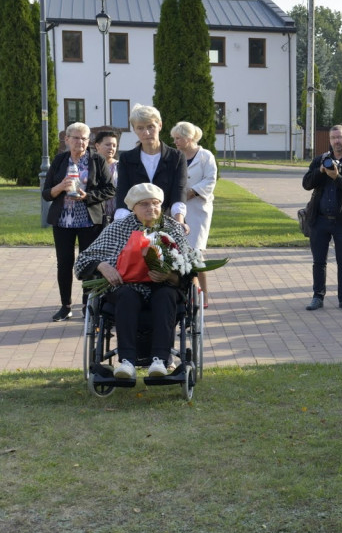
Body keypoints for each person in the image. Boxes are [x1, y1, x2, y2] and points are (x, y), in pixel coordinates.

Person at [74, 183, 198, 379]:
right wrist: (102, 266)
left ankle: (160, 360)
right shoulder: (118, 228)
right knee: (126, 295)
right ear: (133, 207)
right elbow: (83, 260)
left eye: (156, 203)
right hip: (127, 287)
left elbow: (191, 267)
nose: (151, 208)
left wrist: (170, 276)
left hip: (164, 287)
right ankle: (127, 362)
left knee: (165, 295)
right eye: (144, 204)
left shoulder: (173, 227)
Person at [42, 122, 116, 322]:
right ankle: (65, 306)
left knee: (90, 264)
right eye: (76, 137)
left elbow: (110, 189)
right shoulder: (59, 161)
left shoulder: (97, 160)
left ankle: (87, 305)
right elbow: (47, 193)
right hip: (63, 222)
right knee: (64, 264)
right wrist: (60, 187)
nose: (81, 142)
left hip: (90, 222)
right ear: (67, 140)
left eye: (85, 138)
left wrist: (87, 196)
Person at [303, 125, 342, 311]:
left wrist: (337, 177)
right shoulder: (321, 160)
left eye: (340, 137)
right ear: (329, 140)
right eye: (333, 138)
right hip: (320, 219)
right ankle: (317, 297)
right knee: (319, 261)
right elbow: (306, 184)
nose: (337, 141)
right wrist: (320, 171)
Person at [114, 104, 187, 229]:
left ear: (160, 125)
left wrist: (179, 221)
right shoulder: (126, 158)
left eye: (150, 126)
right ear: (134, 130)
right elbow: (123, 192)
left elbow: (179, 191)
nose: (146, 133)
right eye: (140, 128)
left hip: (168, 219)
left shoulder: (176, 157)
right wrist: (120, 225)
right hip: (135, 222)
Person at [171, 121, 217, 304]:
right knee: (179, 251)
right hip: (177, 209)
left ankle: (203, 295)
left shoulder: (205, 156)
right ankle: (187, 293)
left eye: (178, 138)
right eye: (174, 138)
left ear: (189, 138)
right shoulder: (175, 156)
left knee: (196, 253)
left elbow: (210, 180)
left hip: (198, 208)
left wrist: (193, 191)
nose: (175, 142)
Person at [93, 130, 119, 224]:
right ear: (97, 146)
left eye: (114, 145)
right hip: (96, 218)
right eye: (108, 145)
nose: (111, 148)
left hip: (117, 218)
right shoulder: (91, 166)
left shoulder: (119, 166)